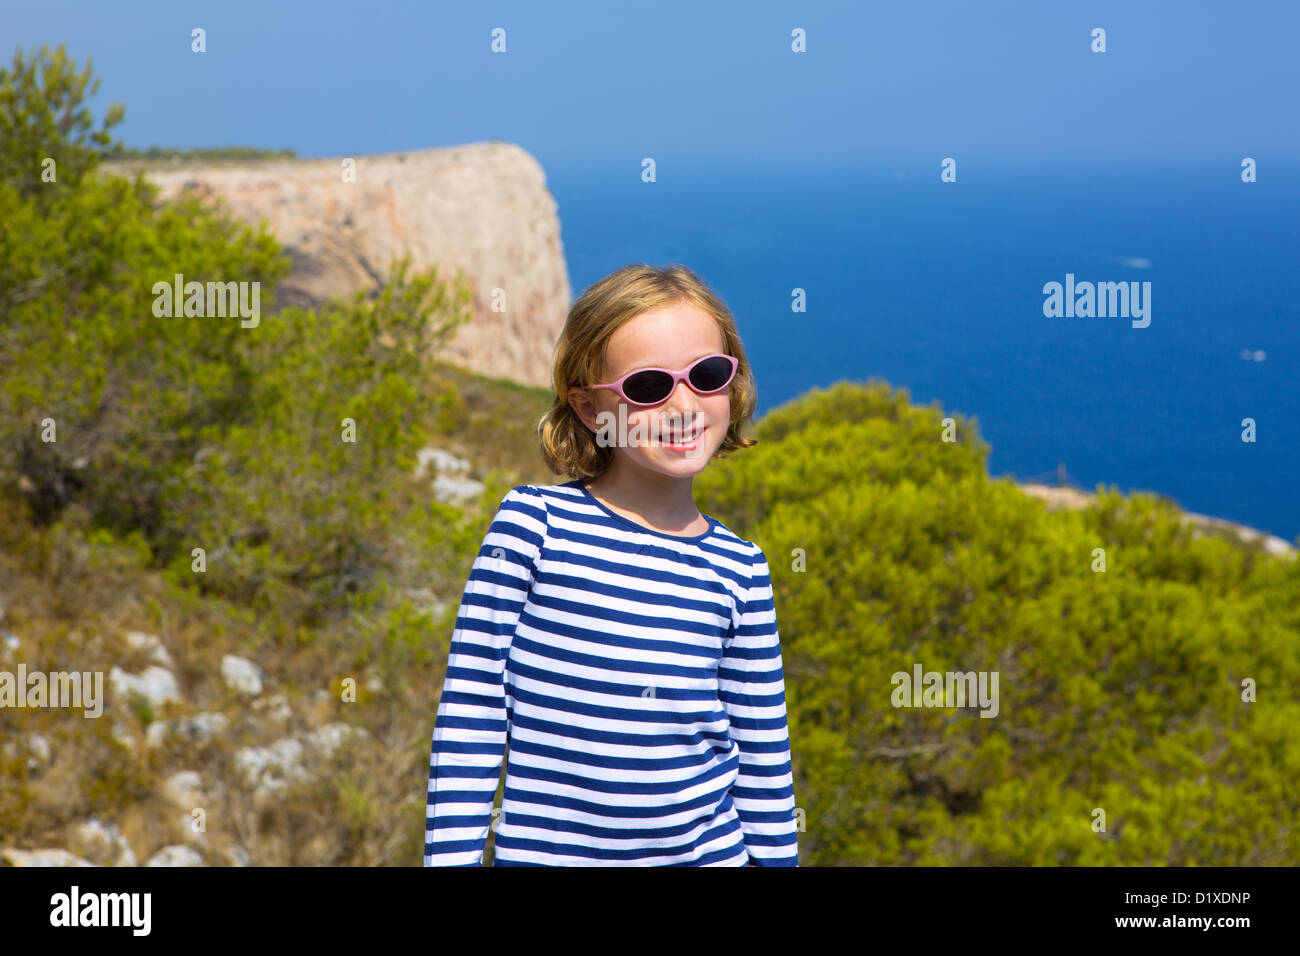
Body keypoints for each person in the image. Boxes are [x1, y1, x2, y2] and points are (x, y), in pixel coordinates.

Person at [423, 263, 798, 866]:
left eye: (707, 375)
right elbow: (472, 712)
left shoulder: (741, 569)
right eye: (648, 386)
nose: (684, 404)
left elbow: (763, 761)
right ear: (591, 408)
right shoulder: (534, 526)